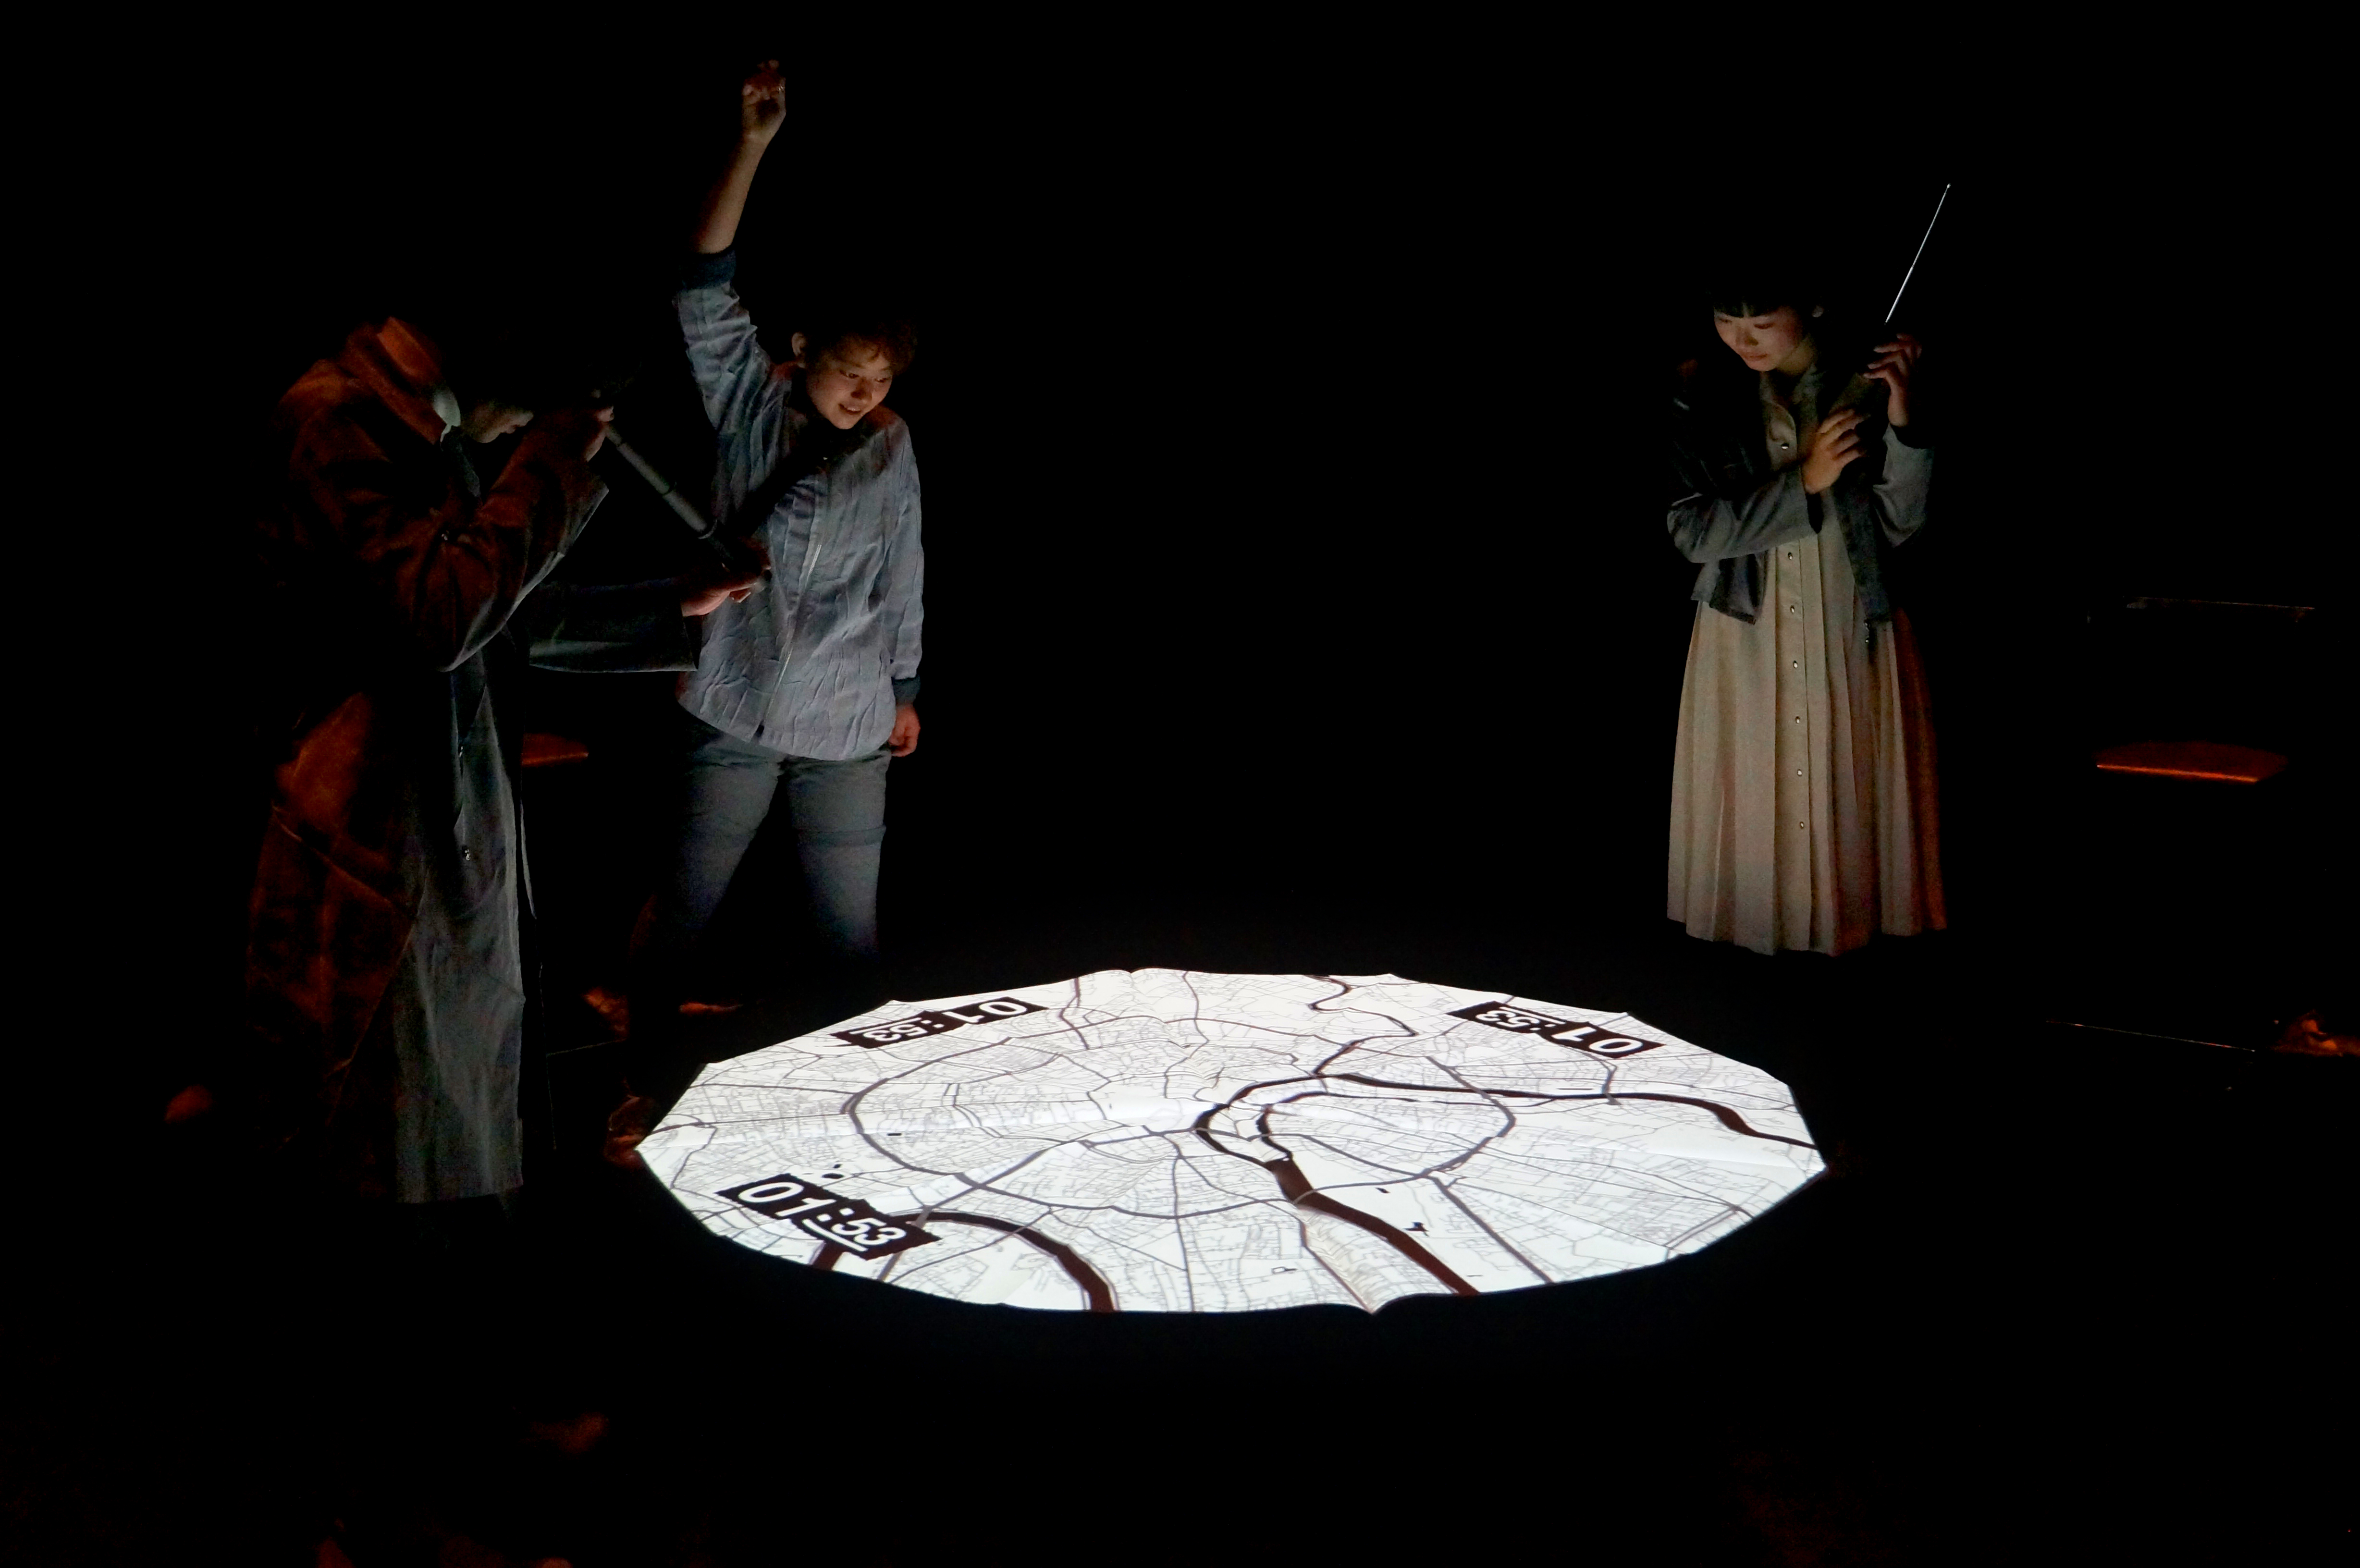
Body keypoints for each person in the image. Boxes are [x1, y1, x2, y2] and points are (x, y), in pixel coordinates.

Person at [240, 306, 757, 1560]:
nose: (531, 421)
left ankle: (470, 1438)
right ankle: (380, 1502)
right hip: (375, 853)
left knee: (458, 1152)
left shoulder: (420, 426)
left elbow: (500, 612)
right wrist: (552, 466)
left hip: (440, 839)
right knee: (395, 1170)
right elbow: (436, 614)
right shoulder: (334, 422)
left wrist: (666, 604)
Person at [619, 60, 923, 1080]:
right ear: (804, 349)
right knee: (685, 908)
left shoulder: (891, 445)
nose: (865, 391)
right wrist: (751, 143)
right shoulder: (753, 403)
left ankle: (859, 1090)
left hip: (848, 719)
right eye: (849, 369)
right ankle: (643, 1075)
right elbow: (701, 286)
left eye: (882, 376)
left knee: (849, 936)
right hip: (736, 700)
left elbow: (902, 573)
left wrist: (905, 688)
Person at [1665, 267, 1943, 956]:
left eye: (1762, 322)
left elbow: (1898, 526)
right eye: (1728, 321)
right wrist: (1805, 482)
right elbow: (1693, 533)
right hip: (1745, 627)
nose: (1743, 341)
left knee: (1849, 786)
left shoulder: (1862, 382)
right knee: (1754, 787)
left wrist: (1905, 424)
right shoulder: (1703, 392)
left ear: (1811, 306)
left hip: (1849, 613)